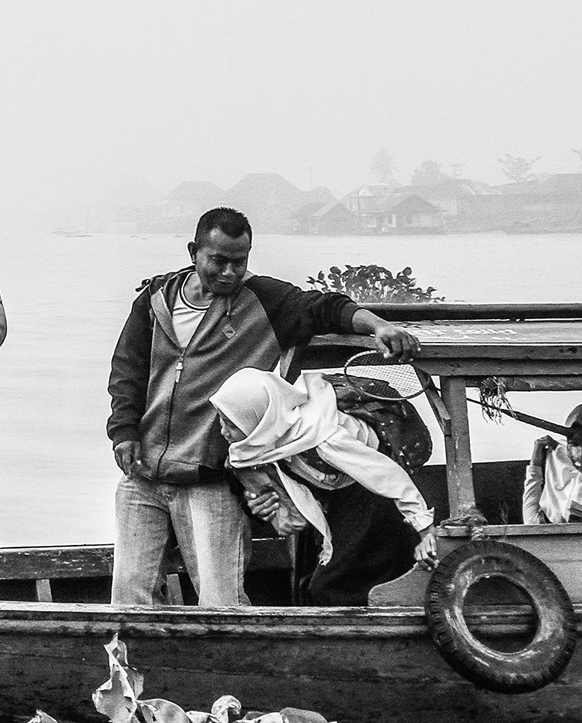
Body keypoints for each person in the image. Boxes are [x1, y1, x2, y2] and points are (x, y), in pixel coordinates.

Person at [106, 207, 422, 606]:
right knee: (128, 600)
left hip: (211, 477)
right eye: (217, 261)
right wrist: (124, 431)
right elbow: (127, 372)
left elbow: (324, 308)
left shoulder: (264, 300)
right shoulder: (155, 301)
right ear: (193, 252)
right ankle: (129, 670)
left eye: (240, 262)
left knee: (222, 604)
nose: (229, 273)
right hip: (143, 474)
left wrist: (377, 325)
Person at [209, 367, 438, 605]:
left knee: (334, 587)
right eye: (222, 422)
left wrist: (425, 530)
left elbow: (388, 477)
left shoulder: (324, 438)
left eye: (231, 425)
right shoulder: (269, 433)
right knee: (317, 585)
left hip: (370, 498)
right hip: (333, 499)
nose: (224, 432)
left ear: (259, 417)